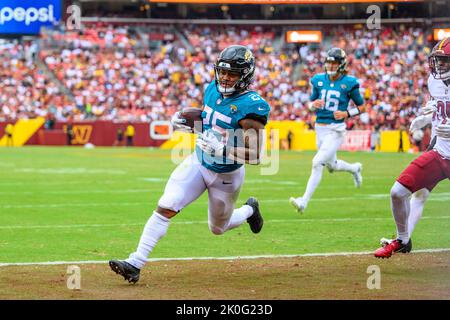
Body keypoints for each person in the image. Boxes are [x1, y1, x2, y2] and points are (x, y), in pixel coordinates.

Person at [109, 45, 271, 283]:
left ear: (245, 76)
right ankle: (135, 262)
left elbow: (256, 155)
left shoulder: (251, 106)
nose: (225, 78)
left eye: (232, 74)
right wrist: (187, 120)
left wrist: (223, 149)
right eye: (223, 72)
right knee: (167, 204)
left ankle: (249, 210)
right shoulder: (212, 90)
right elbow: (210, 122)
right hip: (199, 161)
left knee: (218, 228)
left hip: (226, 174)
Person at [374, 37, 450, 258]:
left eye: (445, 62)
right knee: (398, 192)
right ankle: (403, 240)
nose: (439, 66)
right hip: (440, 151)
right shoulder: (434, 81)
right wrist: (425, 118)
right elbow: (438, 106)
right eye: (438, 61)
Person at [289, 48, 364, 214]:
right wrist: (312, 105)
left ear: (341, 64)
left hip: (336, 130)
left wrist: (346, 113)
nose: (330, 65)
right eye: (328, 62)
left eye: (334, 62)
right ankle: (355, 168)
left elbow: (361, 106)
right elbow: (310, 104)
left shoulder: (349, 82)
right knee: (332, 166)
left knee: (317, 163)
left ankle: (303, 201)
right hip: (320, 128)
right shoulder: (318, 80)